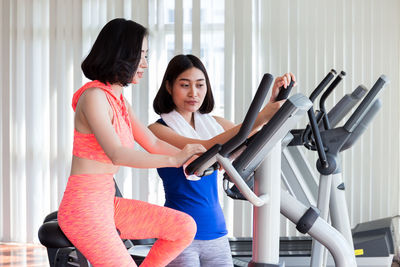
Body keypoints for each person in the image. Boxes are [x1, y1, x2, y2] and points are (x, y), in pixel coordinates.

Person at [57, 19, 206, 267]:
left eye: (146, 55)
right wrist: (175, 159)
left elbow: (154, 143)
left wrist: (195, 158)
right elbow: (117, 154)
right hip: (83, 209)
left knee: (183, 227)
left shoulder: (121, 101)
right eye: (141, 56)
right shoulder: (93, 97)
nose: (145, 64)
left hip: (106, 202)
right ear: (120, 55)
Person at [148, 54, 296, 267]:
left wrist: (272, 104)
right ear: (169, 87)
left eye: (200, 85)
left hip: (216, 233)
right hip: (179, 235)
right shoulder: (158, 129)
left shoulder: (214, 122)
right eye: (184, 85)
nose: (193, 93)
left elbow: (250, 138)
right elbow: (204, 147)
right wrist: (262, 116)